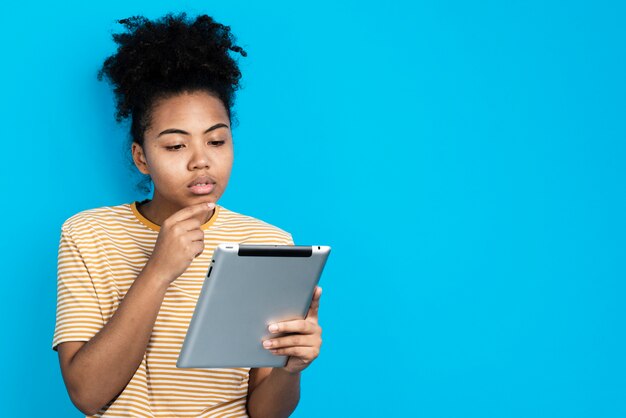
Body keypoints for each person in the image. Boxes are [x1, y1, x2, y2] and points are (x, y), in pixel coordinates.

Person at [52, 12, 323, 418]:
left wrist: (292, 368)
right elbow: (87, 395)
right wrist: (159, 270)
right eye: (176, 146)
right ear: (141, 157)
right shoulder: (88, 234)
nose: (201, 161)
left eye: (216, 140)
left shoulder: (269, 244)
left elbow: (267, 412)